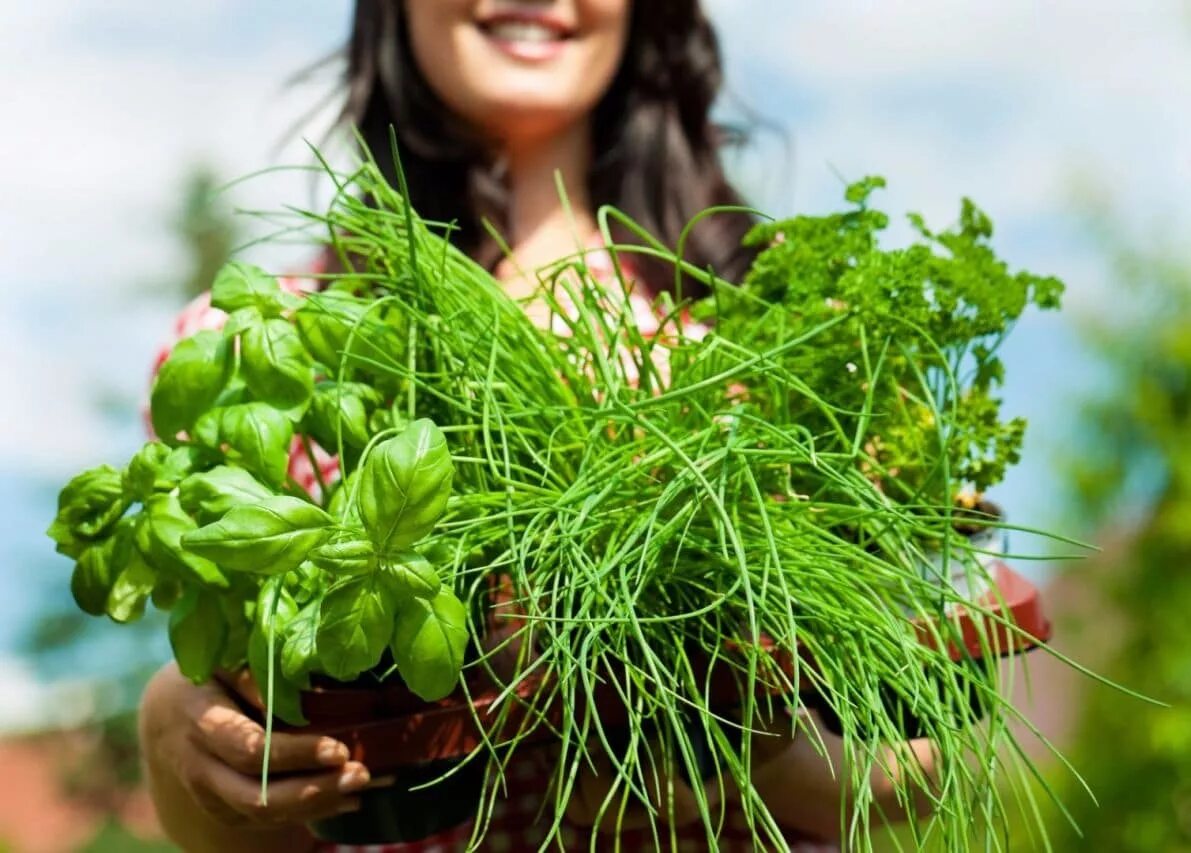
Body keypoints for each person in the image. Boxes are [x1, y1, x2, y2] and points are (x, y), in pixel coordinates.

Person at [137, 2, 939, 850]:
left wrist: (757, 761)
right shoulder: (265, 354)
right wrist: (168, 727)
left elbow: (935, 739)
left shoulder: (791, 335)